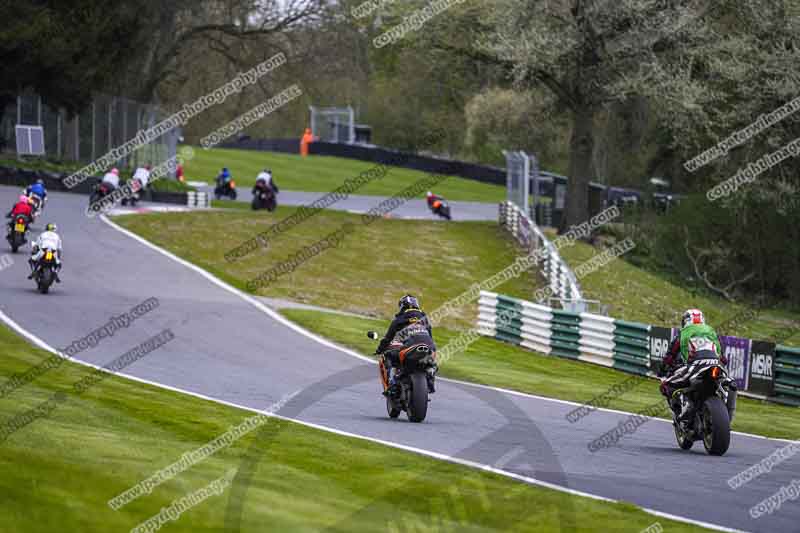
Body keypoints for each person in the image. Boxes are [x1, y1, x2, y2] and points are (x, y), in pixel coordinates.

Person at [659, 309, 727, 421]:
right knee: (730, 383)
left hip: (695, 367)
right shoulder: (712, 331)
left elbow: (670, 356)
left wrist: (662, 371)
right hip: (716, 366)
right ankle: (726, 406)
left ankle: (684, 407)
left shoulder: (683, 333)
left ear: (685, 321)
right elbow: (723, 358)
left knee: (666, 385)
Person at [376, 294, 438, 396]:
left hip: (409, 347)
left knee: (387, 356)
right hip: (429, 347)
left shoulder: (399, 319)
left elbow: (387, 338)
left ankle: (392, 386)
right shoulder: (425, 318)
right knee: (432, 363)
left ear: (401, 306)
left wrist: (380, 349)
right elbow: (430, 337)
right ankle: (430, 381)